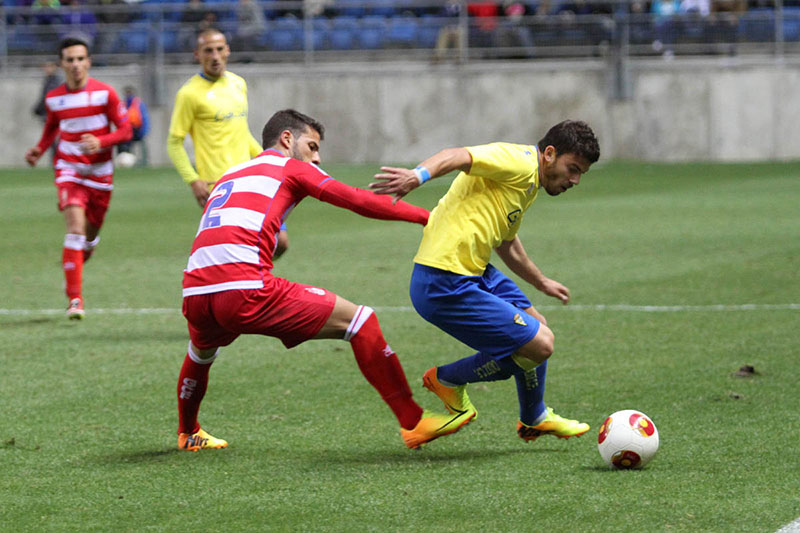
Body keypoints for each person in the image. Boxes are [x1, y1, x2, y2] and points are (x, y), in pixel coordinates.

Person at [176, 109, 473, 452]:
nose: (316, 157)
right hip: (243, 287)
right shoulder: (291, 167)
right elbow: (358, 200)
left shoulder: (232, 172)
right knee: (361, 321)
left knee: (200, 354)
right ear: (287, 139)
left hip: (196, 290)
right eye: (312, 146)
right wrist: (428, 218)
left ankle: (188, 431)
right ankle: (414, 422)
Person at [370, 120, 600, 445]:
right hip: (444, 279)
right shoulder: (517, 161)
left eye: (581, 174)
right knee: (540, 346)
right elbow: (457, 155)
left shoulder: (530, 182)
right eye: (572, 169)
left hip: (475, 270)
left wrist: (542, 281)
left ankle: (533, 418)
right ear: (549, 154)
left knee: (537, 325)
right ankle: (447, 379)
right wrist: (417, 175)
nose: (575, 180)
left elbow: (507, 242)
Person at [24, 37, 132, 320]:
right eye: (69, 60)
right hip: (69, 170)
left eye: (80, 59)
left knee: (89, 238)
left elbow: (125, 131)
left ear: (88, 62)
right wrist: (39, 149)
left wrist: (102, 141)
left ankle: (76, 266)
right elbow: (51, 128)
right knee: (74, 229)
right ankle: (75, 299)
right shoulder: (54, 98)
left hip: (100, 175)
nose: (75, 65)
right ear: (62, 64)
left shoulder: (104, 94)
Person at [167, 28, 290, 258]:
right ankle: (246, 284)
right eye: (208, 51)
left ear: (228, 51)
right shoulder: (189, 94)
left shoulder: (238, 84)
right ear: (198, 55)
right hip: (219, 185)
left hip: (251, 177)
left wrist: (272, 159)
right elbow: (174, 142)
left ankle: (250, 280)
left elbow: (241, 132)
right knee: (240, 247)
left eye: (219, 49)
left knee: (279, 242)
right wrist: (193, 180)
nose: (214, 56)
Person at [116, 86, 150, 166]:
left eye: (129, 92)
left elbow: (144, 118)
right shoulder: (123, 104)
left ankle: (131, 160)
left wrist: (143, 132)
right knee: (119, 140)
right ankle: (122, 160)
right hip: (126, 130)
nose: (128, 94)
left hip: (136, 131)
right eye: (127, 93)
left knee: (127, 138)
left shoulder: (138, 104)